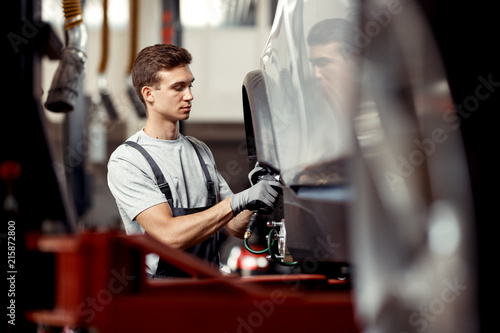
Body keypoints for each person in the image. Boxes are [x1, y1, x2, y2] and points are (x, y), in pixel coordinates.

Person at [107, 43, 280, 278]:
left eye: (190, 85)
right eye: (178, 87)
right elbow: (168, 236)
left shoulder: (199, 151)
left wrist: (256, 193)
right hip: (161, 295)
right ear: (149, 94)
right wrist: (236, 202)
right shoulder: (128, 160)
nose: (189, 95)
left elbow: (235, 227)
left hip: (209, 285)